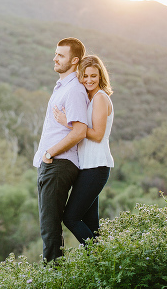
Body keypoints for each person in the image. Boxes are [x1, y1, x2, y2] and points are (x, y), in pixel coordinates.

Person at [33, 37, 90, 263]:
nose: (55, 58)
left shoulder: (74, 90)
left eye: (61, 55)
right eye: (55, 54)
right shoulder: (62, 88)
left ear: (74, 60)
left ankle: (53, 278)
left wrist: (49, 153)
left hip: (58, 163)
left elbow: (79, 132)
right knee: (49, 226)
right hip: (51, 164)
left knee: (50, 228)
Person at [54, 55, 115, 245]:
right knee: (91, 223)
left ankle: (100, 255)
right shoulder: (88, 99)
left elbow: (97, 135)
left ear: (100, 77)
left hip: (97, 166)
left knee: (70, 217)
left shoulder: (100, 98)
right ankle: (102, 265)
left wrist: (69, 122)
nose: (89, 80)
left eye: (93, 76)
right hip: (87, 167)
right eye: (85, 76)